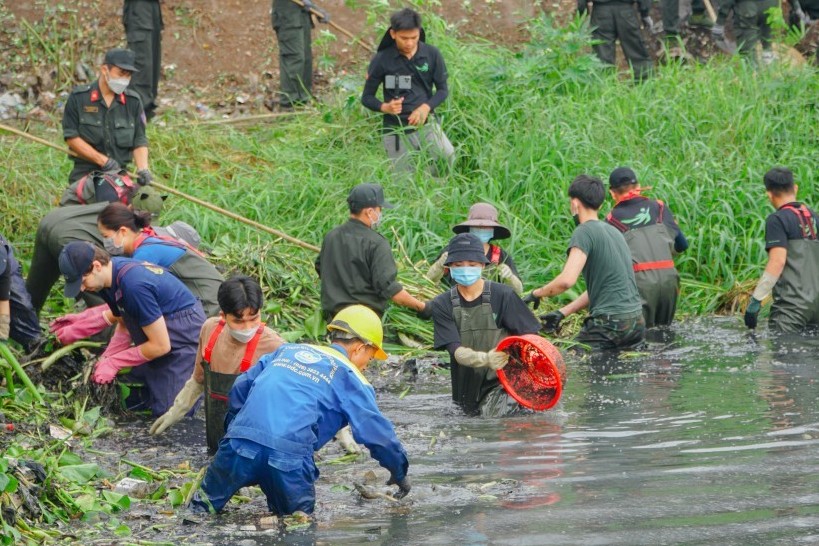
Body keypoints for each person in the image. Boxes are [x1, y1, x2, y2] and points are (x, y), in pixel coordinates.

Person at [190, 304, 410, 515]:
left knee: (200, 512)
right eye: (369, 359)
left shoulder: (286, 351)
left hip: (237, 445)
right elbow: (379, 437)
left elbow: (239, 389)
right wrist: (399, 472)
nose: (365, 366)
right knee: (297, 525)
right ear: (359, 348)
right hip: (288, 458)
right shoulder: (352, 378)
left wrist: (237, 436)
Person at [54, 242, 205, 416]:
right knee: (129, 394)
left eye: (82, 281)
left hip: (182, 337)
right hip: (156, 334)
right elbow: (124, 322)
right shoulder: (107, 280)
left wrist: (114, 362)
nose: (82, 289)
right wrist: (107, 357)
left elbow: (161, 346)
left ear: (96, 266)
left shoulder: (133, 284)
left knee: (171, 415)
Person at [149, 275, 284, 452]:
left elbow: (284, 401)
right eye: (238, 321)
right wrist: (177, 409)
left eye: (254, 319)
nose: (247, 328)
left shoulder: (275, 345)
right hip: (216, 433)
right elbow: (198, 379)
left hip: (252, 442)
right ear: (223, 316)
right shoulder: (210, 330)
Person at [525, 175, 645, 351]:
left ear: (574, 203)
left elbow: (566, 280)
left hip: (609, 324)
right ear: (601, 204)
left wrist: (536, 294)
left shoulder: (584, 232)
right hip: (636, 323)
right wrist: (562, 312)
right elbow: (604, 287)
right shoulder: (614, 232)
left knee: (570, 360)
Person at [26, 186, 189, 314]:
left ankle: (22, 333)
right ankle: (104, 346)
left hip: (52, 219)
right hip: (71, 237)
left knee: (33, 293)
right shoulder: (128, 233)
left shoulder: (117, 209)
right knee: (100, 290)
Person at [430, 233, 540, 416]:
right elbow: (455, 350)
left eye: (472, 265)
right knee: (471, 422)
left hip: (505, 384)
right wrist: (485, 359)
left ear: (482, 265)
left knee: (497, 422)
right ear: (448, 267)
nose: (465, 269)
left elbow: (532, 339)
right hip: (466, 388)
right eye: (458, 265)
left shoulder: (503, 295)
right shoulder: (442, 304)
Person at [361, 8, 454, 175]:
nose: (409, 43)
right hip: (395, 129)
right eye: (404, 38)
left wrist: (426, 107)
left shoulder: (432, 54)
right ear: (393, 34)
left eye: (414, 38)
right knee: (403, 180)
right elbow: (366, 97)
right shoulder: (382, 59)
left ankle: (433, 189)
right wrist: (385, 107)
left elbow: (442, 90)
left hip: (426, 124)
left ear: (419, 33)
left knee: (446, 156)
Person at [315, 183, 429, 320]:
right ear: (369, 212)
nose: (380, 213)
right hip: (364, 322)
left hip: (333, 319)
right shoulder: (376, 243)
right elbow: (390, 289)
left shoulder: (331, 236)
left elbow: (320, 268)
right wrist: (423, 307)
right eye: (379, 209)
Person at [96, 202, 223, 316]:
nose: (105, 241)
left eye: (106, 236)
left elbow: (137, 304)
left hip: (209, 301)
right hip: (208, 296)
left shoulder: (145, 255)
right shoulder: (147, 239)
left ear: (123, 231)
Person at [605, 167, 688, 328]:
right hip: (670, 280)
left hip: (641, 285)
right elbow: (682, 245)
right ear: (638, 186)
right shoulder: (660, 208)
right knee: (665, 335)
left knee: (643, 341)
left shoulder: (611, 220)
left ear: (612, 193)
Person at [62, 48, 152, 185]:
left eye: (128, 75)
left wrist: (143, 169)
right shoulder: (79, 98)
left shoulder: (133, 101)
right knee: (107, 200)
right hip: (86, 176)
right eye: (121, 73)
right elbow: (71, 138)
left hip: (120, 176)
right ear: (105, 70)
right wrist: (103, 161)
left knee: (149, 201)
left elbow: (139, 140)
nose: (125, 79)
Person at [744, 167, 819, 333]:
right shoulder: (815, 217)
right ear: (795, 188)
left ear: (769, 194)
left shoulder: (777, 220)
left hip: (791, 310)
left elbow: (777, 262)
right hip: (817, 307)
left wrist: (756, 301)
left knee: (784, 355)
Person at [427, 203, 523, 295]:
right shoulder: (453, 250)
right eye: (477, 226)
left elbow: (518, 291)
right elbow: (428, 280)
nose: (481, 229)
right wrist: (439, 265)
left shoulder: (500, 256)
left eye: (486, 227)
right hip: (450, 303)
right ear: (469, 227)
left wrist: (510, 277)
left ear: (493, 229)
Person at [271, 0, 328, 108]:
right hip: (287, 15)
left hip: (302, 15)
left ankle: (303, 103)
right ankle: (289, 105)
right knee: (294, 58)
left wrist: (314, 8)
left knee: (306, 60)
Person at [579, 0, 654, 80]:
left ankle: (604, 85)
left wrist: (582, 12)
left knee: (602, 54)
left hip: (601, 12)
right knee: (635, 49)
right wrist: (645, 13)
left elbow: (581, 4)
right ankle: (646, 82)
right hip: (626, 11)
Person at [0, 234, 43, 352]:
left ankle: (37, 351)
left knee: (23, 310)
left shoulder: (2, 262)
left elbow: (3, 300)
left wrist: (2, 336)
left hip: (6, 268)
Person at [123, 0, 163, 121]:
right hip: (138, 9)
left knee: (153, 62)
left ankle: (147, 110)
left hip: (152, 8)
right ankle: (137, 113)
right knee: (141, 63)